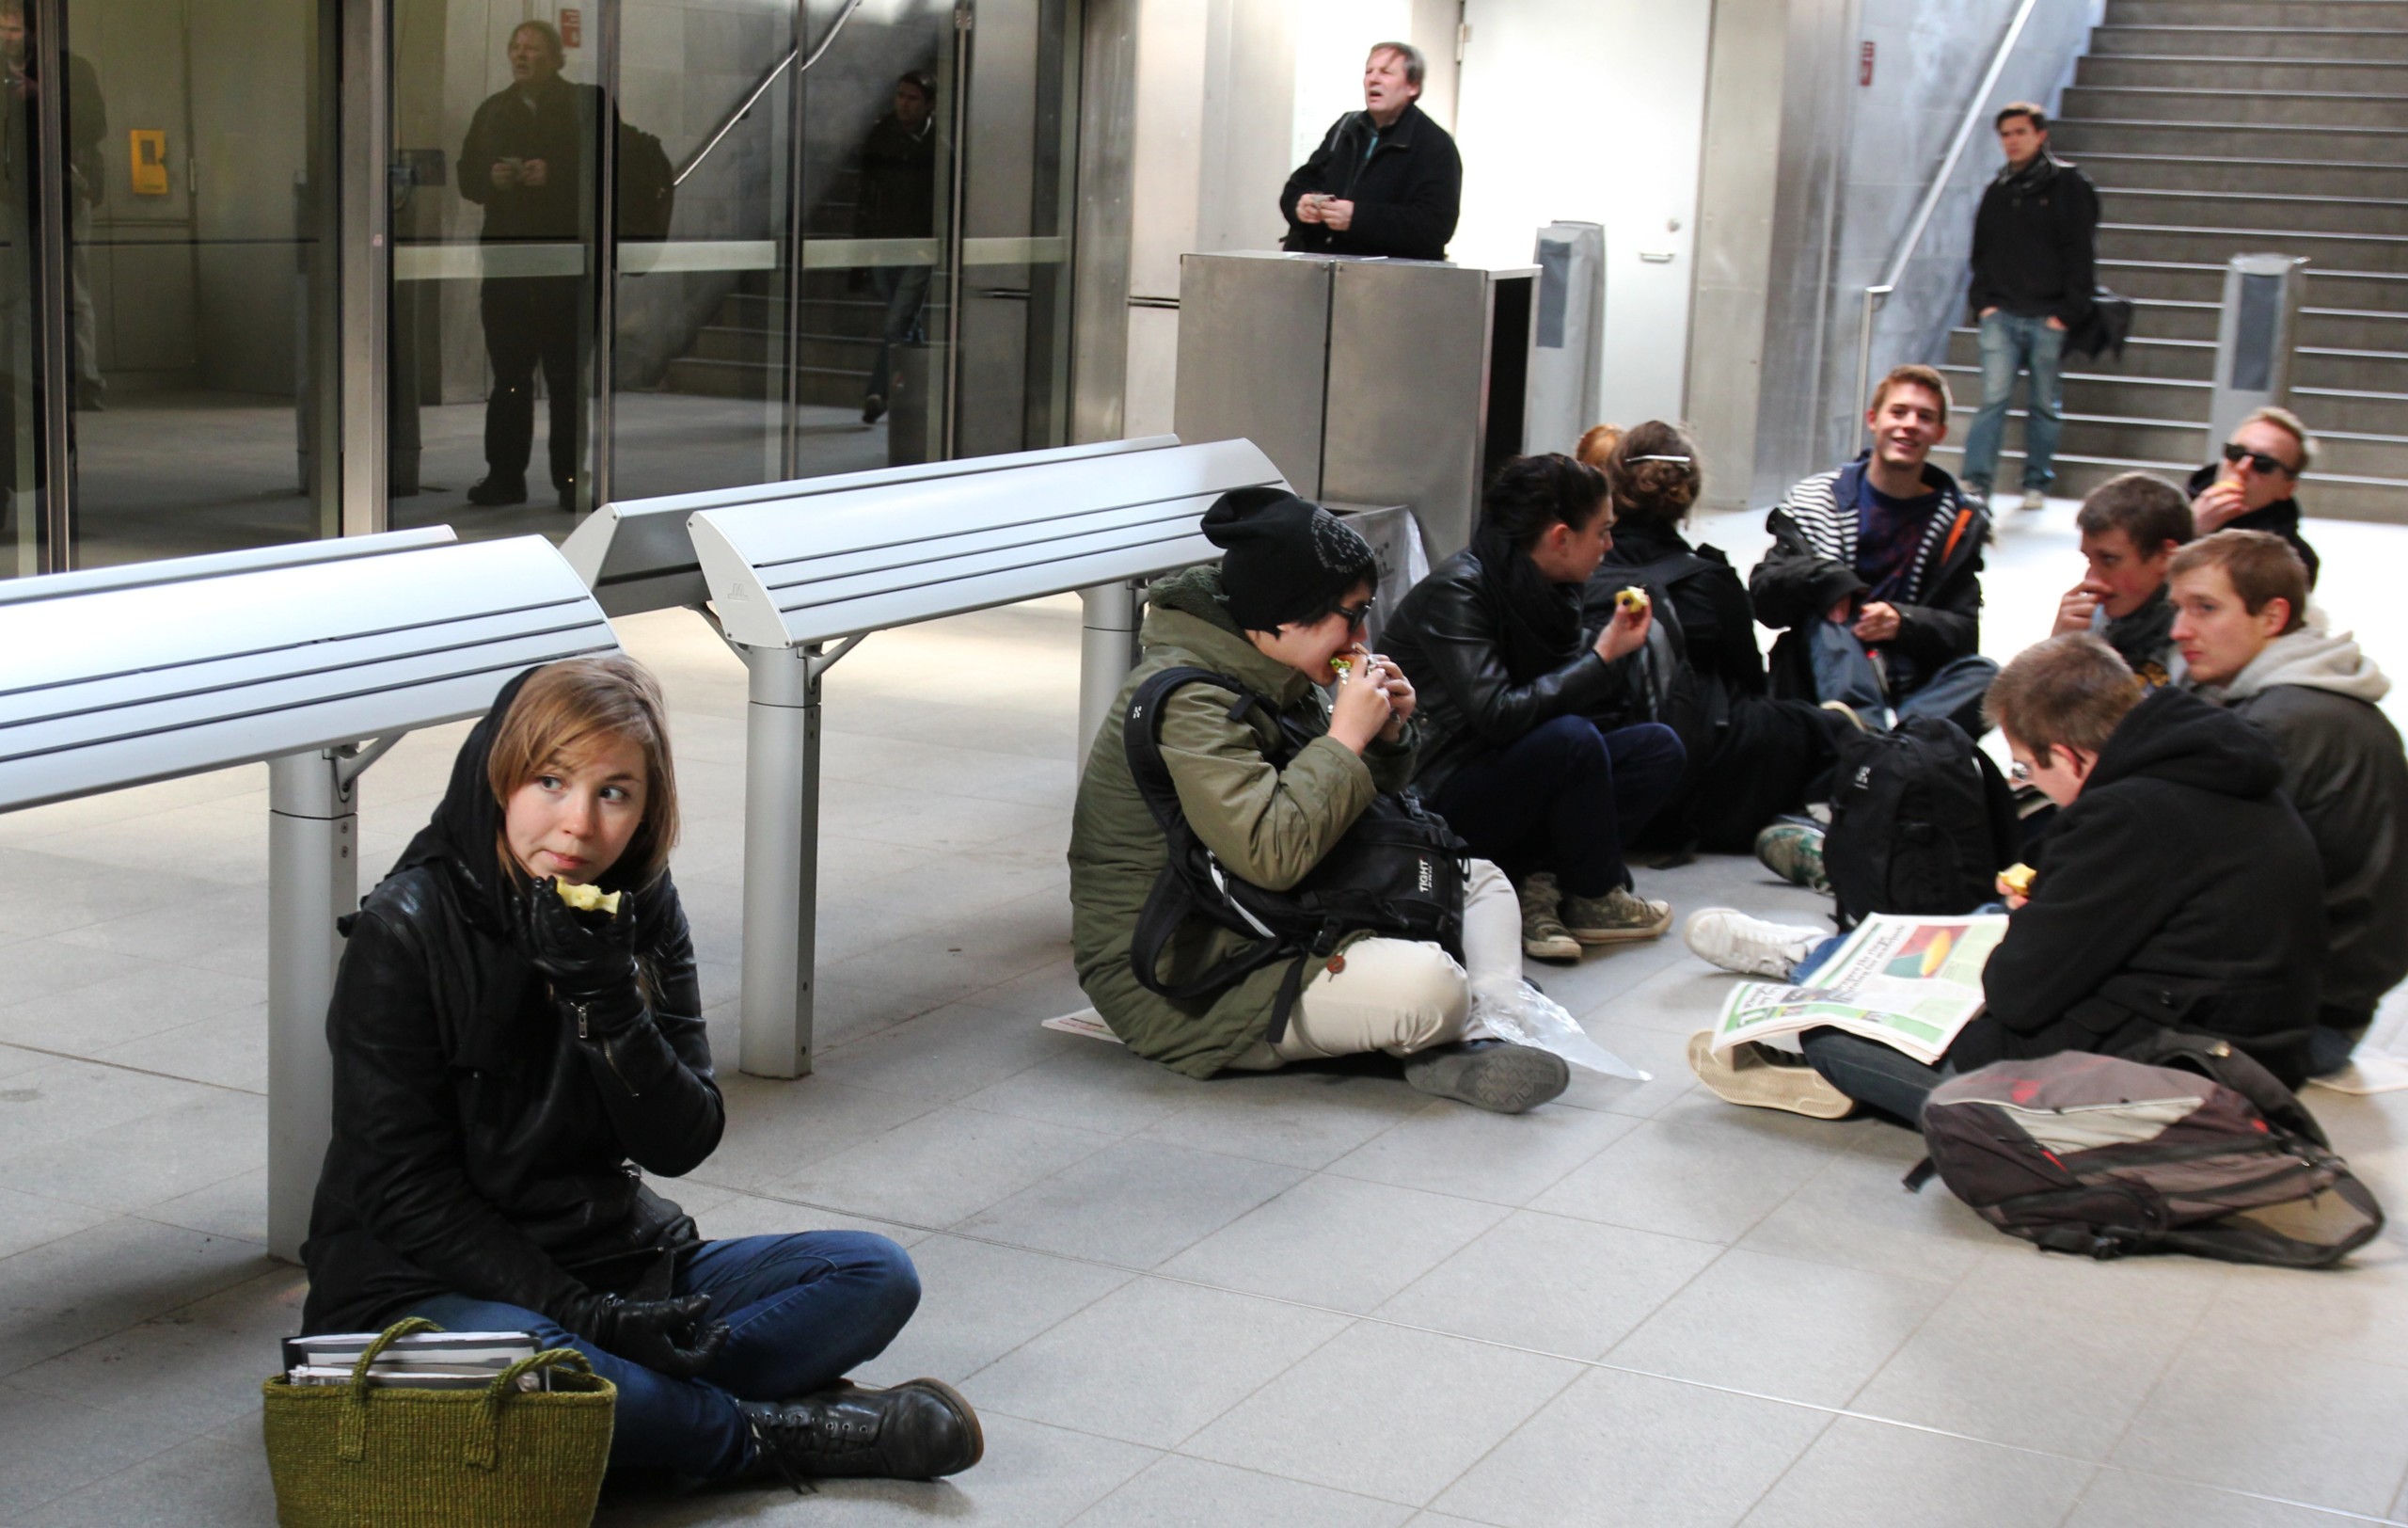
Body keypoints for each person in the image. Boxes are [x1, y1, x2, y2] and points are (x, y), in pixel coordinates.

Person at [301, 657, 981, 1488]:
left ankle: (641, 1422)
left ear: (647, 806)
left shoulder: (641, 904)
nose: (578, 825)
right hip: (426, 1289)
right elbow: (405, 1193)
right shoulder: (405, 929)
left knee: (873, 1276)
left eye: (614, 793)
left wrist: (608, 1007)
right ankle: (766, 1435)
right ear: (500, 777)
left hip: (616, 1260)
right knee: (548, 1363)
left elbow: (683, 1139)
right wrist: (589, 1320)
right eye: (551, 781)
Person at [1068, 487, 1571, 1113]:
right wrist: (1346, 735)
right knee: (1430, 987)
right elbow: (1271, 852)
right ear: (1286, 612)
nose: (1362, 636)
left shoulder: (1270, 662)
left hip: (1267, 913)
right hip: (1190, 968)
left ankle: (1490, 1024)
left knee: (1480, 881)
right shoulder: (1187, 700)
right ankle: (1461, 1019)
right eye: (1351, 614)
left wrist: (1387, 739)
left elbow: (1355, 814)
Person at [1683, 633, 2326, 1122]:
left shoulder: (2124, 816)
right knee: (1974, 938)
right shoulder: (2213, 761)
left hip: (2190, 1076)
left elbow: (2020, 994)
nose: (2028, 783)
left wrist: (2033, 916)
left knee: (1836, 1040)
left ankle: (1839, 1068)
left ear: (2070, 756)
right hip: (2253, 1040)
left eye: (2025, 767)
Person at [1381, 454, 1684, 961]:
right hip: (1437, 788)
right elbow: (1498, 714)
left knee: (1658, 749)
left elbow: (1563, 707)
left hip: (1510, 768)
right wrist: (1602, 656)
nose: (1610, 546)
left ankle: (1537, 882)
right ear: (1561, 537)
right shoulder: (1460, 590)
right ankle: (1588, 894)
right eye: (1603, 532)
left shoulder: (1556, 592)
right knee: (1572, 742)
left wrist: (1607, 655)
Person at [2171, 531, 2408, 1076]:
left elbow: (2195, 880)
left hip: (2302, 1024)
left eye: (2205, 609)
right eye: (2179, 608)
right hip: (2332, 1001)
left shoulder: (2277, 724)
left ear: (2272, 617)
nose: (2180, 630)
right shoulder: (2310, 696)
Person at [1581, 420, 1836, 853]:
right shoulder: (1709, 580)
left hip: (1593, 765)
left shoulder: (1579, 573)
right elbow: (1752, 680)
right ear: (1687, 496)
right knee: (1806, 726)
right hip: (1693, 772)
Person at [1750, 364, 1998, 740]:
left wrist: (1904, 621)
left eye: (1924, 417)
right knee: (1830, 618)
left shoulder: (1958, 521)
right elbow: (1764, 598)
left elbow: (1964, 633)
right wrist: (1829, 580)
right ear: (1873, 419)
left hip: (1914, 683)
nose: (1910, 424)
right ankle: (1872, 737)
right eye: (1898, 412)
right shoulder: (1818, 500)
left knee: (1989, 676)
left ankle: (1879, 744)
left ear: (1940, 433)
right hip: (1825, 673)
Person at [458, 21, 593, 513]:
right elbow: (466, 177)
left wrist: (556, 176)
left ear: (556, 58)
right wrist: (489, 177)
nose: (521, 55)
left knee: (564, 378)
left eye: (532, 49)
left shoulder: (582, 107)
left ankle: (571, 478)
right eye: (515, 47)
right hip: (509, 265)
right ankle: (505, 476)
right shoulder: (494, 110)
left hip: (564, 266)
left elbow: (609, 169)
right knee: (510, 376)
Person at [1960, 103, 2099, 514]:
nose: (2012, 141)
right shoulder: (1998, 191)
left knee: (2043, 402)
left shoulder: (2070, 186)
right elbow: (1981, 252)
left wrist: (2068, 311)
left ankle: (2037, 481)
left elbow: (2081, 252)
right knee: (1993, 399)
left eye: (2020, 132)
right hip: (2001, 312)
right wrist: (1983, 304)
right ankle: (1976, 481)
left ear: (2041, 135)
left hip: (2048, 313)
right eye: (2005, 134)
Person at [1279, 40, 1461, 262]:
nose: (1373, 79)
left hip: (1386, 284)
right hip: (1320, 275)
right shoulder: (1345, 128)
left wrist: (1357, 219)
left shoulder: (1435, 145)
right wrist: (1301, 204)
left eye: (1386, 72)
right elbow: (1301, 182)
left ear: (1412, 86)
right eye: (1369, 71)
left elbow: (1435, 226)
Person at [2048, 470, 2194, 688]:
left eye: (2109, 560)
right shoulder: (2089, 623)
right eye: (2089, 560)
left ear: (2166, 557)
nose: (2092, 579)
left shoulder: (2199, 637)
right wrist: (2056, 654)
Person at [856, 71, 936, 426]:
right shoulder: (880, 137)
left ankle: (879, 394)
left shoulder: (937, 146)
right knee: (907, 326)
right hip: (884, 245)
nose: (904, 104)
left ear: (928, 104)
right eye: (900, 96)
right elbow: (865, 196)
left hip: (919, 249)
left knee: (895, 324)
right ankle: (917, 393)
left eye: (913, 98)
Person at [2185, 406, 2321, 586]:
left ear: (2287, 488)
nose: (2242, 468)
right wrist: (2191, 529)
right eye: (2236, 453)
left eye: (2262, 463)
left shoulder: (2294, 561)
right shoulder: (2164, 511)